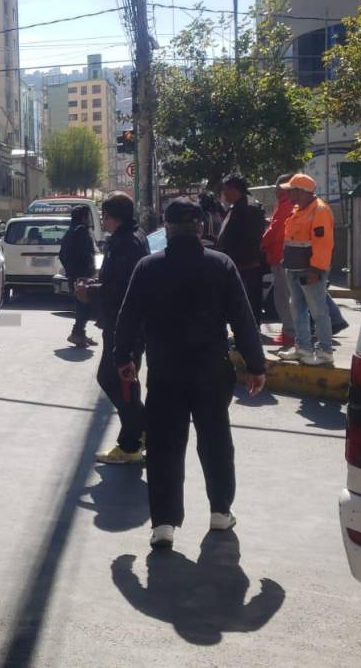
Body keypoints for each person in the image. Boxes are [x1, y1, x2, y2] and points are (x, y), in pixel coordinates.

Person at [114, 198, 267, 550]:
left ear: (166, 229)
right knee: (215, 441)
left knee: (165, 445)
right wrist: (256, 366)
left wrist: (125, 358)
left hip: (166, 371)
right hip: (211, 371)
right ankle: (219, 511)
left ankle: (164, 523)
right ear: (200, 228)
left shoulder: (148, 268)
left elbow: (128, 319)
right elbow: (244, 321)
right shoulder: (221, 265)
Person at [78, 192, 150, 465]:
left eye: (104, 216)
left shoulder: (125, 242)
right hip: (126, 322)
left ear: (112, 216)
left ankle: (134, 439)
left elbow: (120, 289)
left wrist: (90, 291)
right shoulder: (134, 237)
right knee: (124, 379)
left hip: (125, 324)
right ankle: (139, 433)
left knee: (115, 379)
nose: (103, 222)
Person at [276, 174, 337, 366]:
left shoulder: (319, 210)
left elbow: (323, 243)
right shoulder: (299, 209)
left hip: (310, 271)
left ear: (301, 192)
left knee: (318, 311)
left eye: (291, 190)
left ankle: (325, 351)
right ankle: (302, 348)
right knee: (298, 310)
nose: (287, 193)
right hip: (294, 268)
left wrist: (316, 270)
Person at [216, 174, 267, 326]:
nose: (223, 194)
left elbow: (250, 238)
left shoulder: (248, 207)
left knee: (248, 303)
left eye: (225, 190)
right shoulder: (238, 206)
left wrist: (239, 261)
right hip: (239, 265)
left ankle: (249, 334)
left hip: (246, 265)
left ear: (234, 189)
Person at [261, 180, 297, 347]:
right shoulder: (288, 205)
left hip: (280, 257)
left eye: (279, 189)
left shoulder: (285, 205)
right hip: (283, 257)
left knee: (283, 299)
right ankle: (291, 332)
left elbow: (275, 231)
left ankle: (289, 333)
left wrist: (261, 243)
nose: (277, 192)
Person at [60, 204, 98, 347]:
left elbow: (62, 255)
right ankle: (77, 334)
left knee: (82, 305)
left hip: (74, 275)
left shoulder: (70, 232)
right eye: (87, 217)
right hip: (83, 276)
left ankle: (80, 333)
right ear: (83, 217)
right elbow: (85, 254)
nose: (89, 220)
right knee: (85, 306)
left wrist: (70, 270)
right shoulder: (81, 232)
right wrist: (85, 271)